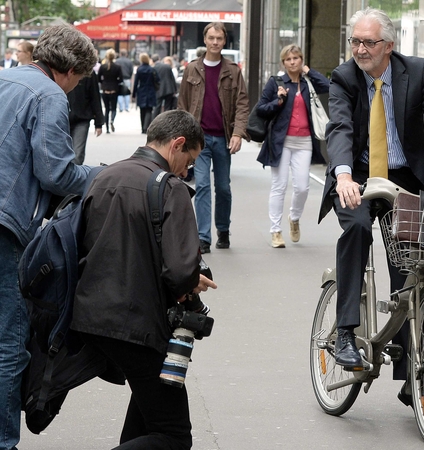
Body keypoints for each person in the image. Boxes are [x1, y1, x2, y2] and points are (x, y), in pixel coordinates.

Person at [318, 7, 424, 404]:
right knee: (358, 228)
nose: (360, 49)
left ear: (389, 46)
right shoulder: (344, 77)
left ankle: (410, 370)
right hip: (357, 178)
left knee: (409, 266)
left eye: (368, 43)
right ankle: (345, 333)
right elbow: (340, 126)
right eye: (355, 41)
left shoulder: (417, 71)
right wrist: (342, 174)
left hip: (404, 178)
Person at [71, 110, 217, 450]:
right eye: (189, 160)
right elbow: (180, 271)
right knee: (173, 435)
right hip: (137, 323)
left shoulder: (102, 176)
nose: (186, 170)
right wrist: (194, 280)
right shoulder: (170, 187)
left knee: (147, 415)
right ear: (178, 144)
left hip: (90, 314)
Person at [0, 24, 94, 450]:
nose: (75, 88)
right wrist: (103, 175)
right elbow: (56, 171)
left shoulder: (5, 77)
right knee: (7, 344)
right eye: (80, 79)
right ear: (70, 69)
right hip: (5, 225)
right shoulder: (49, 94)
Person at [178, 22, 249, 254]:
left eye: (219, 38)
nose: (215, 42)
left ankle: (223, 229)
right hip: (199, 139)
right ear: (205, 40)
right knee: (203, 186)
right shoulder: (192, 69)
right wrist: (183, 136)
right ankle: (203, 237)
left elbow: (242, 104)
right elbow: (183, 105)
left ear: (224, 41)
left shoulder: (233, 70)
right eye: (211, 38)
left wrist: (238, 133)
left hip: (224, 138)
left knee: (223, 187)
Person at [256, 44, 329, 248]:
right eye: (288, 59)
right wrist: (278, 101)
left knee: (303, 187)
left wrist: (309, 72)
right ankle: (275, 231)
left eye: (296, 58)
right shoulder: (276, 83)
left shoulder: (308, 83)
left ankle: (294, 218)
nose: (292, 62)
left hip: (304, 141)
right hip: (281, 142)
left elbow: (329, 86)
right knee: (279, 186)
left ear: (301, 60)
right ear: (283, 63)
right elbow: (261, 109)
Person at [67, 69, 105, 164]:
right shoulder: (62, 67)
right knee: (61, 152)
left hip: (82, 118)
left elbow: (95, 96)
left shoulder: (88, 72)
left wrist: (98, 123)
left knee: (78, 153)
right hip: (62, 118)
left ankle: (74, 178)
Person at [132, 53, 161, 134]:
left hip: (141, 91)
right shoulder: (152, 69)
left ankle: (142, 128)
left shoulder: (139, 69)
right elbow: (158, 80)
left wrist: (134, 94)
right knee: (149, 109)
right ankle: (146, 127)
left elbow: (136, 82)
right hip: (151, 91)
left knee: (142, 110)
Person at [98, 49, 123, 134]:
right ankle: (112, 120)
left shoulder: (103, 66)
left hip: (105, 89)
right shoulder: (118, 67)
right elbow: (121, 79)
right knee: (114, 108)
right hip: (114, 89)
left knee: (107, 109)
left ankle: (107, 128)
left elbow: (99, 78)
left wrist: (103, 83)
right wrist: (116, 82)